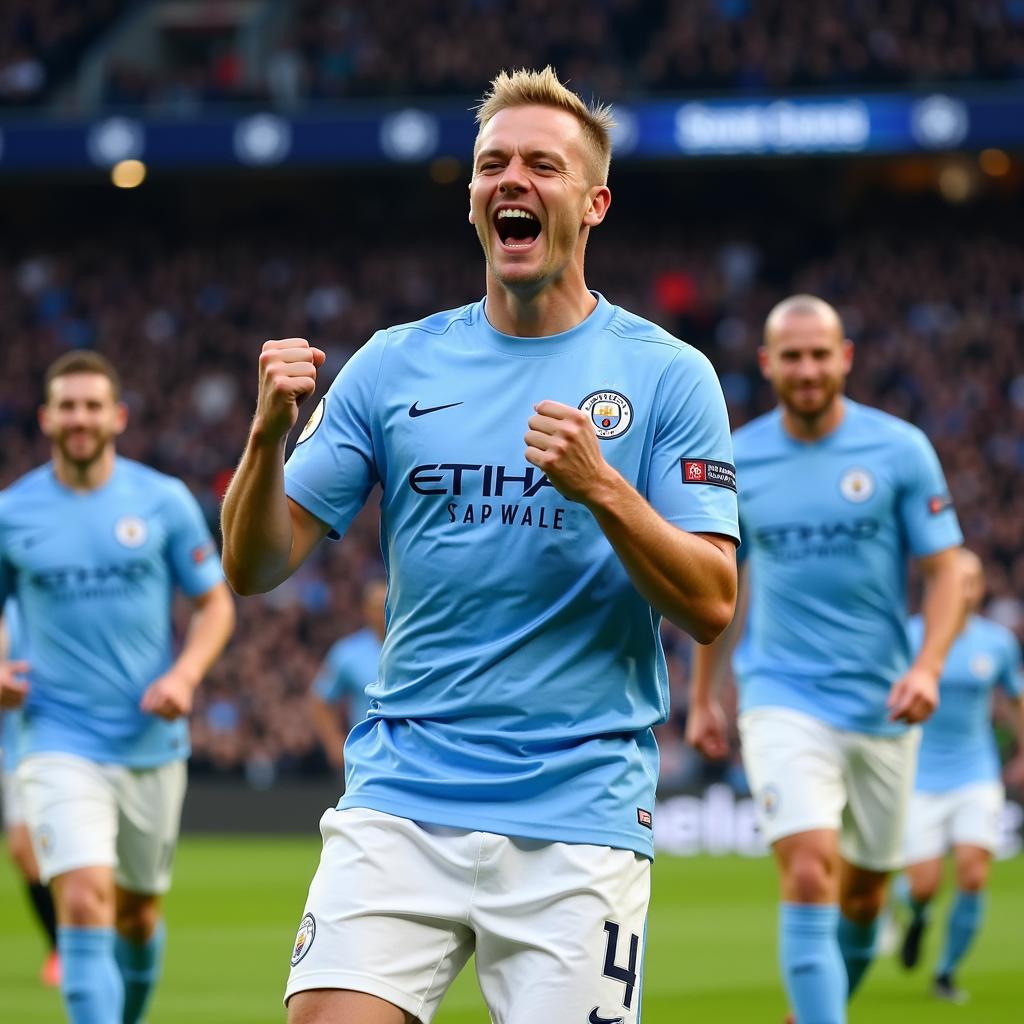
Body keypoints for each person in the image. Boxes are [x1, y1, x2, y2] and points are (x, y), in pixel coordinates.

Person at [221, 66, 740, 1024]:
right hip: (404, 790)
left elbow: (711, 603)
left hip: (576, 809)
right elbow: (254, 567)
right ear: (470, 199)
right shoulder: (392, 363)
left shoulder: (670, 377)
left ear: (594, 203)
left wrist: (601, 487)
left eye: (542, 164)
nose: (512, 180)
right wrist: (264, 443)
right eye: (490, 163)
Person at [686, 294, 965, 1024]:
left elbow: (948, 571)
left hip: (884, 703)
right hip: (781, 696)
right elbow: (721, 586)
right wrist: (703, 697)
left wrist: (928, 666)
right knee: (809, 871)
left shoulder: (900, 450)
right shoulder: (736, 456)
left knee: (865, 898)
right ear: (767, 363)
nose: (807, 369)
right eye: (792, 355)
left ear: (844, 358)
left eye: (820, 354)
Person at [0, 351, 236, 1024]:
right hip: (55, 735)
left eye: (92, 406)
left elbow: (216, 605)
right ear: (46, 418)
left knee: (136, 916)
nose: (80, 418)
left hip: (149, 739)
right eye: (67, 406)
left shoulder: (161, 501)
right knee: (81, 899)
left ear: (118, 417)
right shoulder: (12, 513)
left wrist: (185, 675)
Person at [896, 549, 1024, 1004]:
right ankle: (916, 915)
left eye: (972, 580)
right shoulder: (911, 636)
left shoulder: (997, 643)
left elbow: (1015, 698)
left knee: (973, 874)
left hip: (976, 771)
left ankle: (946, 972)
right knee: (924, 884)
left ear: (981, 587)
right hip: (919, 774)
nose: (964, 589)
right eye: (957, 579)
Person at [1, 602, 60, 987]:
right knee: (24, 852)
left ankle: (82, 942)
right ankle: (62, 947)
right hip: (15, 743)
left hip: (63, 737)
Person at [308, 579, 386, 775]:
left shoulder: (415, 649)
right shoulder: (348, 653)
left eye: (387, 603)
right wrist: (334, 744)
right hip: (367, 757)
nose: (383, 611)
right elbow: (319, 700)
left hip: (413, 754)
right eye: (376, 606)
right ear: (366, 610)